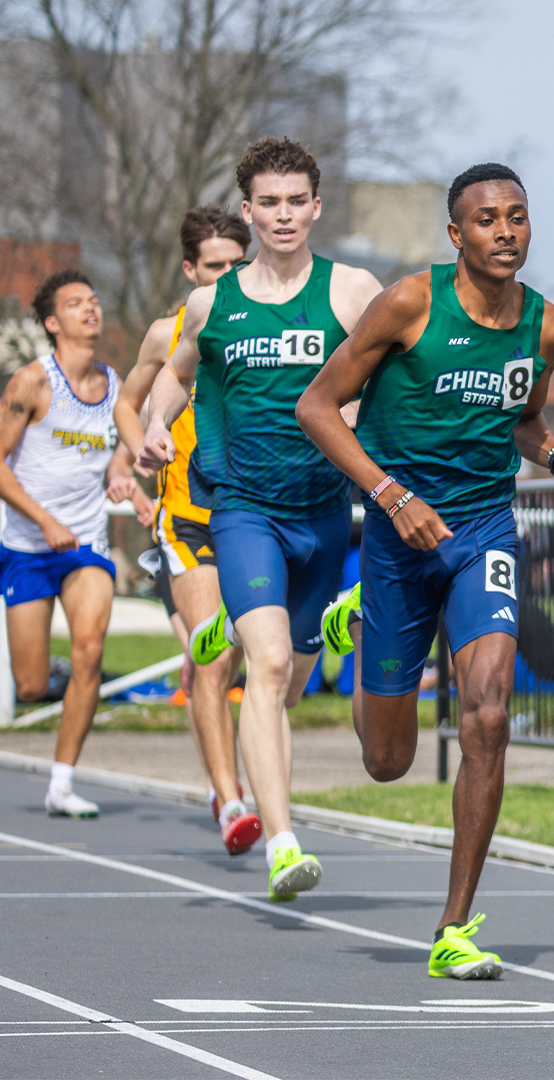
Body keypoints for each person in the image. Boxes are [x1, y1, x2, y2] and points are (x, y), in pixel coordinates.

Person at [298, 163, 554, 979]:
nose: (506, 232)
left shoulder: (546, 325)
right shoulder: (409, 304)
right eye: (487, 220)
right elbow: (317, 406)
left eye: (519, 217)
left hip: (482, 532)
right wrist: (391, 497)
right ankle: (361, 620)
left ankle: (454, 925)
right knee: (386, 761)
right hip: (400, 537)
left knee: (490, 715)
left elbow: (526, 422)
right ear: (457, 235)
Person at [138, 136, 385, 902]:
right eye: (267, 204)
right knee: (269, 666)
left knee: (296, 674)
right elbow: (176, 377)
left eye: (295, 202)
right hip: (242, 508)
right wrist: (152, 426)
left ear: (316, 207)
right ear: (249, 212)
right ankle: (281, 840)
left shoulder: (352, 291)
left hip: (324, 511)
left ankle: (252, 631)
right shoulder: (213, 303)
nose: (282, 216)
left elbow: (399, 370)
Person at [122, 206, 257, 853]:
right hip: (187, 519)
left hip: (259, 517)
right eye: (214, 267)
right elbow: (128, 400)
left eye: (237, 264)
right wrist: (142, 445)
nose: (226, 276)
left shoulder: (267, 323)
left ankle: (233, 768)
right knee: (213, 657)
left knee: (269, 666)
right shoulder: (166, 331)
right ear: (189, 269)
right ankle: (231, 802)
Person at [1, 270, 147, 818]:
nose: (90, 309)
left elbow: (122, 451)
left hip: (84, 543)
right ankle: (52, 679)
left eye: (93, 300)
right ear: (51, 322)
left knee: (91, 649)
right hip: (27, 547)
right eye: (75, 304)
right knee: (32, 683)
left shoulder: (115, 386)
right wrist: (42, 521)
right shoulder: (30, 384)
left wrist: (124, 478)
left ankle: (62, 783)